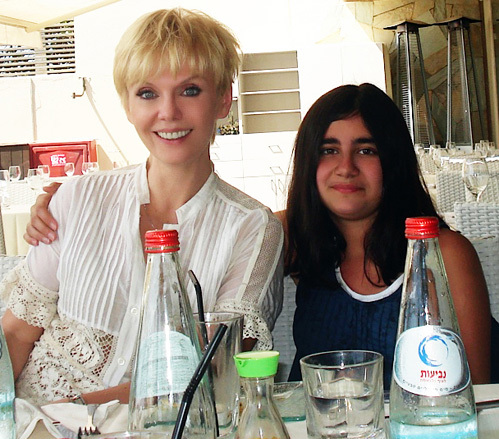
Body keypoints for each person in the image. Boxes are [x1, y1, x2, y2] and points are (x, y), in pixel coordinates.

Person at [1, 8, 283, 405]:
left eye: (190, 90)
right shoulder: (75, 199)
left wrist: (68, 417)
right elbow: (16, 333)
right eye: (147, 93)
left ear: (224, 99)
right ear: (128, 106)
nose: (168, 112)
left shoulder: (252, 228)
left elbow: (210, 374)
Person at [278, 83, 491, 388]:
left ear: (392, 161)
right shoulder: (298, 242)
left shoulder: (440, 254)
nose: (346, 167)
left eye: (366, 150)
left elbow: (476, 391)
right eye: (329, 150)